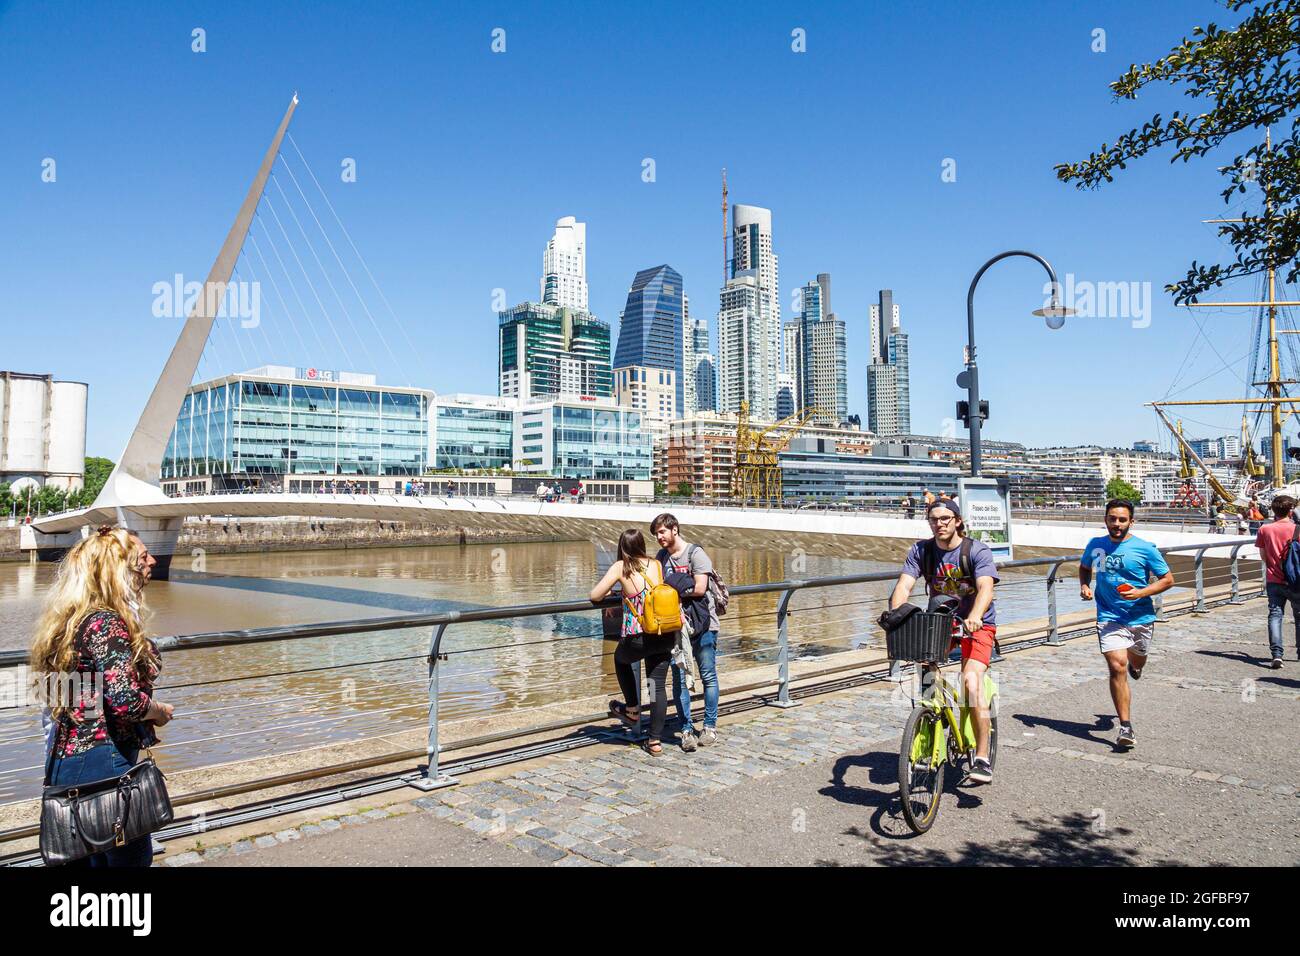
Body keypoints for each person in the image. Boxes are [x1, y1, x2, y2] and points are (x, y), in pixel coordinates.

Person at [29, 526, 174, 867]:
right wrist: (159, 711)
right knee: (129, 862)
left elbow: (55, 699)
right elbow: (126, 702)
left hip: (65, 762)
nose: (153, 561)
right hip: (106, 765)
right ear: (118, 568)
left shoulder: (63, 625)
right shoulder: (106, 623)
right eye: (142, 557)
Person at [887, 498, 999, 784]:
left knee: (971, 682)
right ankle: (928, 731)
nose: (940, 524)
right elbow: (904, 585)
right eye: (934, 519)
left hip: (977, 625)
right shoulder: (921, 551)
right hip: (940, 622)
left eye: (946, 518)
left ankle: (983, 757)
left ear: (958, 521)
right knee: (926, 673)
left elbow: (986, 588)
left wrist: (975, 615)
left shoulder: (976, 551)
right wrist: (898, 613)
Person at [1078, 500, 1175, 749]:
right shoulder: (1096, 545)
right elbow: (1084, 567)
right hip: (1109, 616)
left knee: (1136, 659)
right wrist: (1085, 585)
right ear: (1106, 520)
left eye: (1122, 520)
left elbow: (1167, 580)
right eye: (1112, 519)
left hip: (1140, 617)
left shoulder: (1144, 549)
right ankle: (1126, 726)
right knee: (1117, 666)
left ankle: (1138, 664)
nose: (1117, 524)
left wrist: (1141, 593)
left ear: (1131, 521)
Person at [590, 530, 676, 755]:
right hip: (663, 632)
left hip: (638, 637)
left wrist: (613, 590)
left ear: (623, 547)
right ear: (641, 545)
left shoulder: (621, 567)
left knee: (620, 660)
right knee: (656, 686)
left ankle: (631, 709)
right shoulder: (656, 564)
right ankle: (655, 741)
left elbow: (595, 596)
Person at [652, 513, 720, 752]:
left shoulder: (695, 554)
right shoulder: (661, 558)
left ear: (674, 530)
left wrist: (673, 587)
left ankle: (710, 727)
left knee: (707, 675)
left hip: (703, 625)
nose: (659, 537)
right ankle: (686, 730)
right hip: (675, 628)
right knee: (680, 681)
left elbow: (700, 588)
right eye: (656, 533)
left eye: (662, 532)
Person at [1255, 494, 1299, 669]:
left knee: (1275, 616)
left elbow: (1264, 556)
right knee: (1299, 616)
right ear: (1290, 511)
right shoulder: (1297, 529)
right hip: (1296, 580)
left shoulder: (1264, 530)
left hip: (1274, 579)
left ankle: (1277, 655)